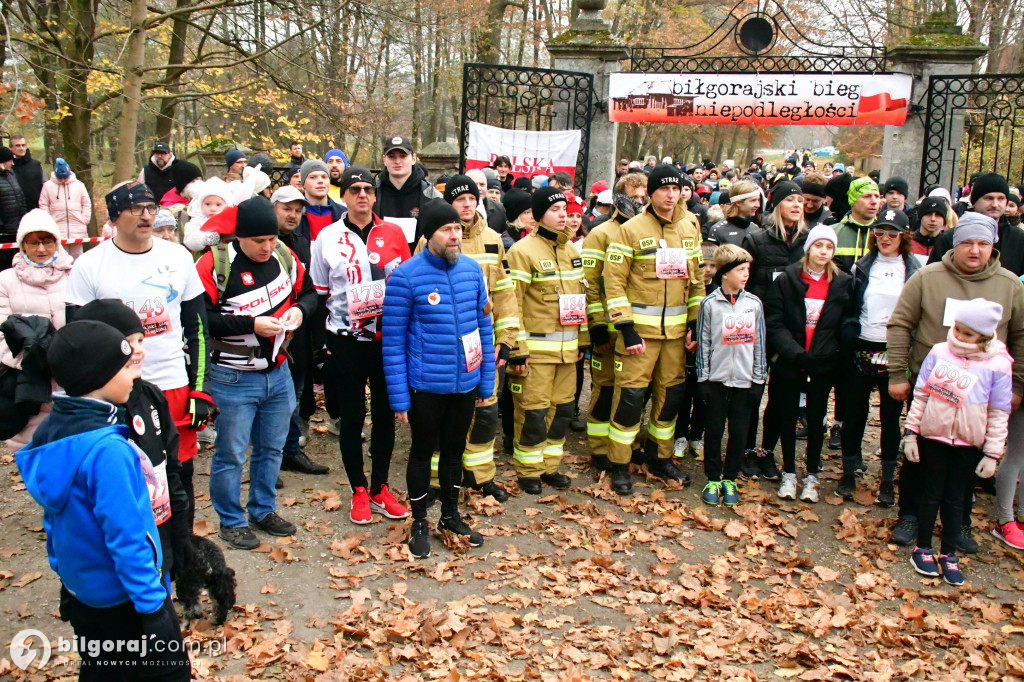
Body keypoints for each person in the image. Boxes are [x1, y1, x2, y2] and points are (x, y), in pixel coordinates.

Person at [16, 320, 191, 679]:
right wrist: (154, 609)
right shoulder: (107, 451)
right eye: (125, 367)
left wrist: (65, 577)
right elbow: (128, 537)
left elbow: (56, 518)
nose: (133, 375)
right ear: (100, 376)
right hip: (128, 601)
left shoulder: (54, 431)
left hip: (84, 594)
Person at [66, 182, 214, 526]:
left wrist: (200, 387)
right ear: (114, 216)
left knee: (178, 474)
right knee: (124, 477)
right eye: (135, 209)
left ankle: (182, 554)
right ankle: (136, 556)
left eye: (150, 208)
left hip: (172, 384)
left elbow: (198, 329)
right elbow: (75, 338)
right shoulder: (90, 265)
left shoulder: (177, 256)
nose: (146, 216)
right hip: (116, 391)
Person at [887, 212, 1024, 551]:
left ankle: (960, 523)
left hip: (980, 397)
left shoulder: (1010, 285)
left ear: (993, 247)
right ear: (955, 243)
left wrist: (1017, 386)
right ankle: (910, 516)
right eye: (967, 243)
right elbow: (900, 324)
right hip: (930, 389)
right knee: (919, 457)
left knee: (966, 466)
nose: (975, 251)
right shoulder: (927, 277)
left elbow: (1021, 336)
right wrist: (896, 374)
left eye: (983, 244)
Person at [195, 197, 315, 549]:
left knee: (272, 448)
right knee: (231, 453)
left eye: (271, 238)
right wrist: (250, 324)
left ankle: (263, 510)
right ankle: (231, 521)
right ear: (238, 237)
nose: (266, 247)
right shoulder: (215, 265)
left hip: (278, 372)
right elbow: (201, 318)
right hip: (233, 376)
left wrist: (300, 313)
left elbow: (308, 294)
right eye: (257, 241)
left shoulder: (284, 256)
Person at [383, 199, 495, 558]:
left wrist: (486, 379)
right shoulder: (405, 277)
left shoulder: (472, 270)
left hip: (464, 384)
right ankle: (419, 520)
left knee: (454, 453)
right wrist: (399, 397)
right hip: (425, 387)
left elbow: (484, 327)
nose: (455, 236)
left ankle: (450, 515)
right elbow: (394, 342)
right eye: (447, 230)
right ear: (428, 235)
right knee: (421, 452)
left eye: (458, 230)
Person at [311, 166, 411, 524]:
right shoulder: (326, 237)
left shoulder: (394, 233)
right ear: (344, 195)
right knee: (353, 418)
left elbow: (407, 285)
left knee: (386, 417)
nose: (363, 195)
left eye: (368, 189)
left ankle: (381, 487)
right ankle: (358, 489)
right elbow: (320, 292)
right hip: (346, 342)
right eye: (355, 189)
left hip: (387, 343)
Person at [73, 298, 191, 592]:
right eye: (127, 343)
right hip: (114, 551)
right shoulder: (89, 414)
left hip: (159, 536)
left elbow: (171, 468)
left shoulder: (151, 396)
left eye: (140, 339)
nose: (138, 349)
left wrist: (181, 534)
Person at [602, 165, 704, 493]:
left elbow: (698, 282)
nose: (671, 195)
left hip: (675, 338)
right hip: (639, 338)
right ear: (651, 193)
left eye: (676, 189)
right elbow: (613, 281)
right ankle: (619, 462)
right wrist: (626, 328)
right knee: (630, 398)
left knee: (670, 398)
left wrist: (694, 326)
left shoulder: (690, 227)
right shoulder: (630, 230)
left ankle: (661, 457)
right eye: (664, 189)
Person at [416, 176, 517, 502]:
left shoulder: (493, 239)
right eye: (460, 199)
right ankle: (436, 480)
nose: (467, 204)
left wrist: (508, 337)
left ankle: (480, 476)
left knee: (486, 413)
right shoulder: (431, 238)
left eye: (472, 198)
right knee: (442, 415)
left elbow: (503, 292)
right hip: (443, 345)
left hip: (482, 343)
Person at [904, 300, 1012, 587]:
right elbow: (922, 394)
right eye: (958, 329)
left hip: (968, 443)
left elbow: (999, 410)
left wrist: (992, 453)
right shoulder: (940, 352)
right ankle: (922, 547)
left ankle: (948, 552)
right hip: (934, 437)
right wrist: (911, 432)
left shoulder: (999, 364)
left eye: (968, 334)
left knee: (957, 499)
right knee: (930, 493)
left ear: (985, 336)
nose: (960, 337)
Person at [506, 187, 588, 494]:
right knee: (533, 412)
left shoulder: (572, 251)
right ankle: (528, 469)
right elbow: (511, 304)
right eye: (555, 209)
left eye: (564, 208)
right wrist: (516, 349)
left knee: (562, 412)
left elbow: (582, 298)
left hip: (568, 353)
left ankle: (550, 466)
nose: (563, 214)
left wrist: (582, 342)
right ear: (539, 215)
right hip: (536, 353)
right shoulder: (522, 251)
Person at [762, 224, 851, 502]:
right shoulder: (788, 279)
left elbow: (844, 322)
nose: (823, 252)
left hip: (823, 364)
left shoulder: (842, 282)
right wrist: (796, 353)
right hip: (791, 362)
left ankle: (811, 474)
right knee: (786, 417)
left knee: (815, 419)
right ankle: (788, 471)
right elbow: (775, 322)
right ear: (808, 248)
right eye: (818, 246)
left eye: (829, 247)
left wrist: (831, 352)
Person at [836, 209, 920, 503]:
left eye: (892, 233)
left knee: (890, 414)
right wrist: (848, 330)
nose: (885, 238)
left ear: (904, 236)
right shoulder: (863, 266)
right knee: (854, 412)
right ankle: (848, 471)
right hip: (862, 345)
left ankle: (886, 479)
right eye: (880, 232)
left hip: (895, 350)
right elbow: (851, 304)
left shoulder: (914, 268)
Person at [695, 244, 766, 506]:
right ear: (724, 273)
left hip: (745, 381)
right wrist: (702, 378)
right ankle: (713, 477)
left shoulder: (754, 304)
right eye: (740, 270)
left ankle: (730, 478)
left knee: (739, 432)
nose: (746, 274)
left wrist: (759, 380)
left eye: (747, 269)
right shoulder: (710, 304)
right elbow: (703, 342)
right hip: (716, 380)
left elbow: (760, 344)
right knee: (713, 431)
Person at [0, 210, 73, 450]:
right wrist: (30, 359)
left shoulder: (75, 275)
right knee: (34, 454)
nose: (41, 249)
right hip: (27, 382)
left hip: (70, 377)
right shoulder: (5, 281)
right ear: (22, 245)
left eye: (47, 241)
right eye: (33, 242)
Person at [580, 189, 642, 471]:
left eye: (644, 194)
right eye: (635, 194)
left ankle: (627, 446)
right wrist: (596, 327)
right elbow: (590, 284)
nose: (639, 200)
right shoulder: (600, 234)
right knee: (604, 390)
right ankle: (599, 449)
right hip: (608, 328)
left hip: (639, 331)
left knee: (632, 394)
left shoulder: (646, 231)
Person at [271, 185, 330, 476]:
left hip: (301, 333)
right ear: (273, 209)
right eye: (286, 209)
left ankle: (290, 451)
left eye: (297, 210)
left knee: (294, 394)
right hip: (268, 337)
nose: (293, 215)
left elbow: (312, 291)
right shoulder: (260, 243)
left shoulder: (304, 243)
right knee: (272, 401)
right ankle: (268, 462)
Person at [928, 173, 1024, 276]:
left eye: (1001, 198)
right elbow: (933, 278)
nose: (995, 205)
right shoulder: (950, 237)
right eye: (989, 198)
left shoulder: (1018, 239)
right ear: (973, 201)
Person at [373, 135, 442, 245]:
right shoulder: (373, 194)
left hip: (419, 259)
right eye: (391, 157)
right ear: (384, 160)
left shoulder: (432, 196)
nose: (397, 161)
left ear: (413, 158)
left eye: (403, 156)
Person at [38, 158, 91, 260]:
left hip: (77, 226)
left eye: (64, 177)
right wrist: (49, 222)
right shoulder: (47, 186)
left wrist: (84, 219)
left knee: (78, 257)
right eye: (60, 178)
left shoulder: (79, 185)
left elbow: (86, 203)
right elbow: (43, 204)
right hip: (57, 227)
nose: (62, 180)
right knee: (60, 258)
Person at [834, 176, 882, 272]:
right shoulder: (832, 232)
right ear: (853, 200)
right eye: (867, 196)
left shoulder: (886, 234)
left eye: (877, 196)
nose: (874, 202)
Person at [298, 159, 346, 242]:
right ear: (303, 184)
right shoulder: (295, 215)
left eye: (324, 177)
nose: (320, 181)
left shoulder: (344, 214)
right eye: (313, 177)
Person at [706, 179, 761, 246]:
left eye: (758, 200)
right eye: (753, 200)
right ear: (738, 202)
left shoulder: (755, 228)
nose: (758, 205)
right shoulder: (718, 230)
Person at [0, 146, 27, 271]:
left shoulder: (11, 174)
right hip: (4, 231)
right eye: (9, 161)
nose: (12, 163)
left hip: (17, 227)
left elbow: (20, 198)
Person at [910, 196, 950, 266]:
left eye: (938, 215)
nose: (933, 219)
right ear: (920, 217)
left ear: (944, 220)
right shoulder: (907, 242)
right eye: (928, 214)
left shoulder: (947, 245)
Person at [9, 135, 45, 210]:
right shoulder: (7, 167)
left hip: (36, 210)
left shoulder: (37, 165)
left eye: (23, 145)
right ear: (11, 148)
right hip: (15, 212)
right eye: (17, 146)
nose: (21, 148)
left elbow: (46, 187)